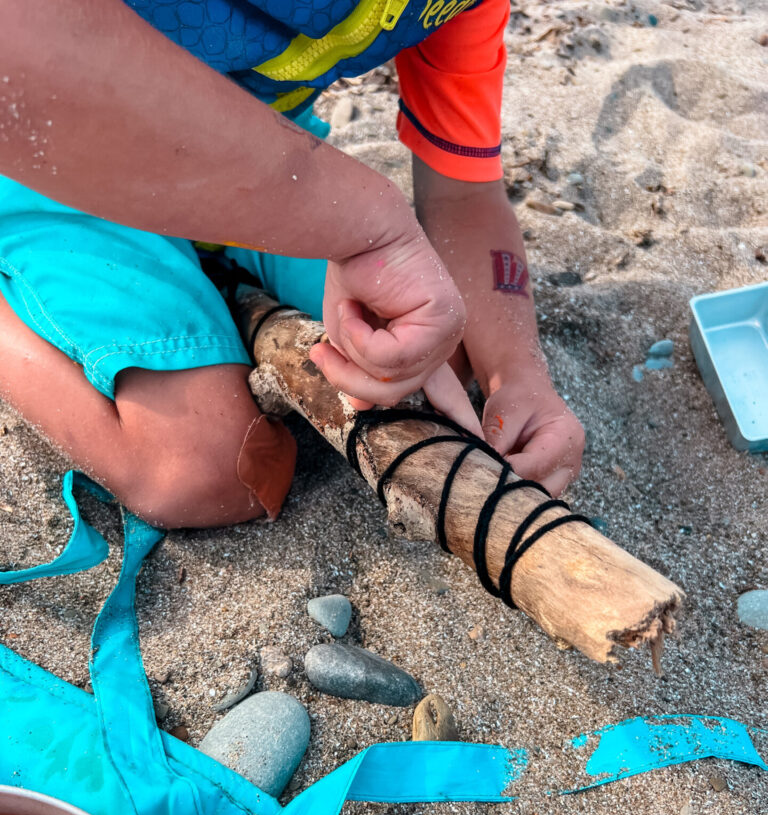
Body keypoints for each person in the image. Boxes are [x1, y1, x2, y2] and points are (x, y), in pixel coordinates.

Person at [0, 0, 584, 529]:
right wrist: (367, 226)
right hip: (51, 151)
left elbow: (465, 196)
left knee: (435, 357)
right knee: (208, 468)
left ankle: (208, 280)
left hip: (247, 150)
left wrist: (518, 372)